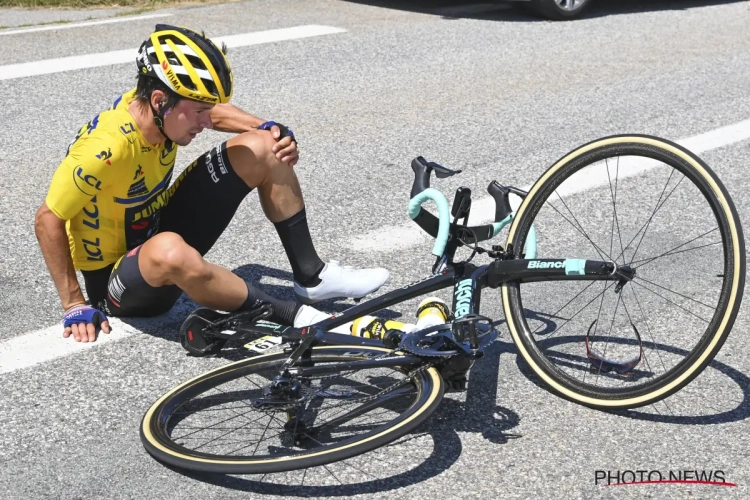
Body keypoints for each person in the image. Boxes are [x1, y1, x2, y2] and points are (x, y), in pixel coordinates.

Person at [34, 24, 389, 343]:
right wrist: (73, 303)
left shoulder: (150, 105)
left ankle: (312, 276)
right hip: (119, 282)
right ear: (161, 101)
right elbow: (47, 218)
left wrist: (269, 128)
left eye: (208, 109)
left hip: (156, 226)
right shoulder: (105, 150)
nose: (206, 122)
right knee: (169, 249)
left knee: (263, 147)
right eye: (199, 112)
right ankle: (294, 316)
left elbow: (217, 113)